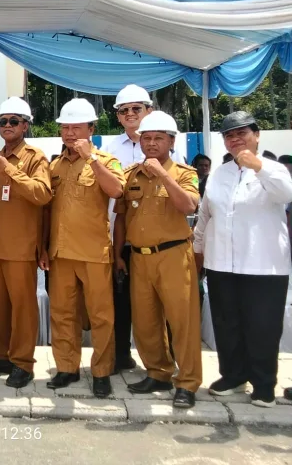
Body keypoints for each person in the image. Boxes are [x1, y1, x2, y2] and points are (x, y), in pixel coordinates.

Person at [193, 111, 292, 408]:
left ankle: (263, 384)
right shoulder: (218, 175)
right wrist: (198, 251)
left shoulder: (274, 169)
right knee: (227, 323)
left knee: (262, 326)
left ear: (257, 135)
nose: (235, 139)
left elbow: (286, 194)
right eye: (229, 135)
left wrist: (258, 166)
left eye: (242, 133)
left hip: (263, 265)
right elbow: (205, 216)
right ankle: (234, 375)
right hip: (221, 262)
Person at [113, 112, 202, 409]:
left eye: (158, 138)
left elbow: (188, 205)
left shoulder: (185, 173)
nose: (151, 144)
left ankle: (187, 382)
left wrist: (163, 174)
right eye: (146, 138)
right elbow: (122, 217)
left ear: (171, 141)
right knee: (146, 321)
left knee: (182, 321)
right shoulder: (130, 175)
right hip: (139, 257)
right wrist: (118, 254)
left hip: (174, 255)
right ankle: (158, 372)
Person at [39, 98, 125, 398]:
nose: (70, 133)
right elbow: (47, 209)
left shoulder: (107, 161)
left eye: (77, 127)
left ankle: (101, 372)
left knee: (102, 316)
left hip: (94, 252)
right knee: (62, 314)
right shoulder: (54, 165)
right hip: (60, 253)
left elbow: (116, 190)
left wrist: (92, 160)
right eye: (65, 127)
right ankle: (67, 368)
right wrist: (43, 246)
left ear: (91, 129)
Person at [103, 84, 184, 374]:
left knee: (168, 306)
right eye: (124, 111)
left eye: (137, 108)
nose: (130, 114)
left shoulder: (171, 145)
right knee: (123, 303)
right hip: (123, 237)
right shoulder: (109, 149)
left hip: (164, 241)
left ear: (149, 110)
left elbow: (182, 194)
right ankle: (123, 357)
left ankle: (175, 364)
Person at [0, 98, 51, 388]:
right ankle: (2, 354)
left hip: (22, 247)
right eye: (3, 121)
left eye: (13, 121)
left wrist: (9, 170)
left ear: (25, 125)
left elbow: (42, 194)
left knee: (23, 308)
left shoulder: (35, 157)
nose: (7, 126)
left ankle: (23, 363)